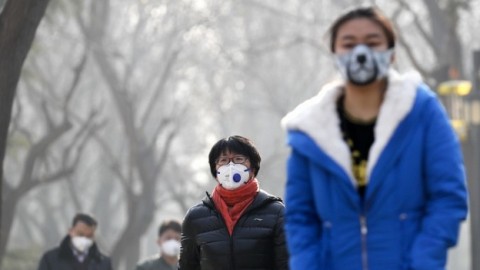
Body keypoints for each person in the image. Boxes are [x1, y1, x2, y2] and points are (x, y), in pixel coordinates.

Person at [281, 6, 468, 270]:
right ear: (334, 53)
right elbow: (301, 217)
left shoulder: (422, 113)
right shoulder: (310, 130)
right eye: (348, 43)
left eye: (373, 42)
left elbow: (448, 197)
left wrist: (424, 261)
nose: (360, 53)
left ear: (391, 54)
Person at [179, 135, 289, 270]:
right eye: (223, 160)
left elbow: (287, 265)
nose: (230, 166)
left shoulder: (276, 213)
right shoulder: (196, 217)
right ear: (215, 170)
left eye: (238, 159)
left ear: (253, 168)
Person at [37, 213, 113, 270]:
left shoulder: (104, 263)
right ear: (70, 231)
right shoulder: (50, 260)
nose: (84, 240)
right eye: (80, 234)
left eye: (89, 236)